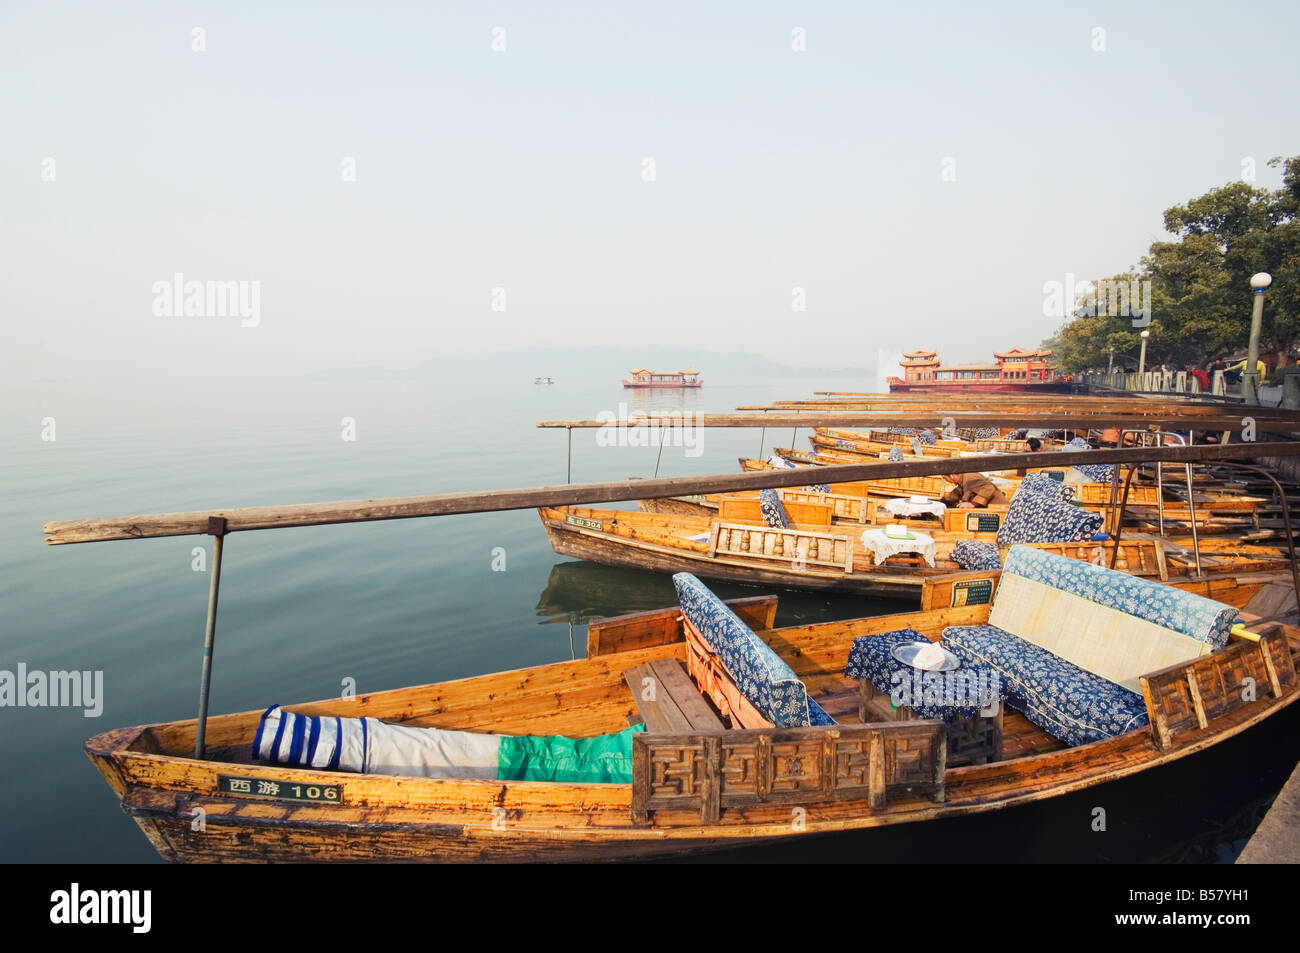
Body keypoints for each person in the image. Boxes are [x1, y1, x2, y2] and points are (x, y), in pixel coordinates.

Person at [940, 472, 1008, 509]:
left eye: (946, 479)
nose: (947, 481)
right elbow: (957, 493)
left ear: (952, 476)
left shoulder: (970, 477)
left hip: (998, 507)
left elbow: (988, 488)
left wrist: (972, 504)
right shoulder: (962, 480)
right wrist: (942, 501)